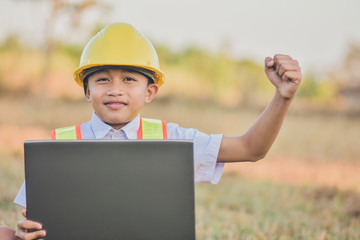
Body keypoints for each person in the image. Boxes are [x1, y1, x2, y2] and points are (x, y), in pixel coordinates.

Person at [1, 22, 302, 240]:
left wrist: (283, 96)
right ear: (86, 90)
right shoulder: (56, 147)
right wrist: (24, 233)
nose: (115, 89)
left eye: (130, 79)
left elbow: (251, 148)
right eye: (102, 79)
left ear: (150, 91)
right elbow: (30, 224)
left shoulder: (174, 139)